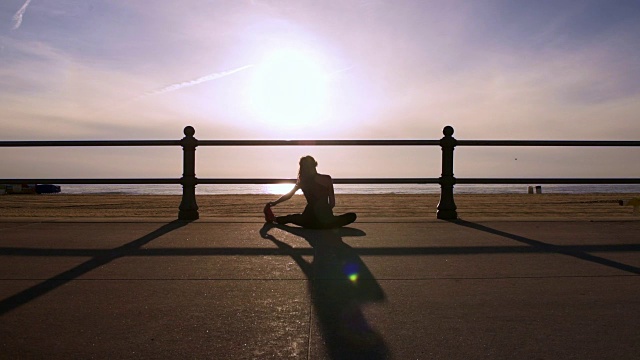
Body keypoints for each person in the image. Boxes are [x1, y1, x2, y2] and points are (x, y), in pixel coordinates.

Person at [264, 156, 356, 229]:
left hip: (309, 221)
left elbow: (288, 195)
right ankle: (328, 223)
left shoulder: (303, 182)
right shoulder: (327, 178)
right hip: (326, 221)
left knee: (292, 218)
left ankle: (273, 218)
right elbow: (332, 203)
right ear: (315, 165)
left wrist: (274, 203)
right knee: (352, 216)